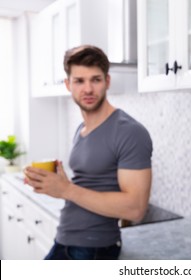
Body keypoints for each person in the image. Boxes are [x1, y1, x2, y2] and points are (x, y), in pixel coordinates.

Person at [24, 45, 153, 260]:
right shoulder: (81, 129)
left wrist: (65, 189)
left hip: (94, 249)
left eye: (95, 79)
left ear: (107, 81)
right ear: (68, 84)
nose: (88, 89)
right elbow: (88, 183)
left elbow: (136, 209)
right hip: (66, 240)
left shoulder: (130, 132)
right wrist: (53, 183)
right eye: (79, 81)